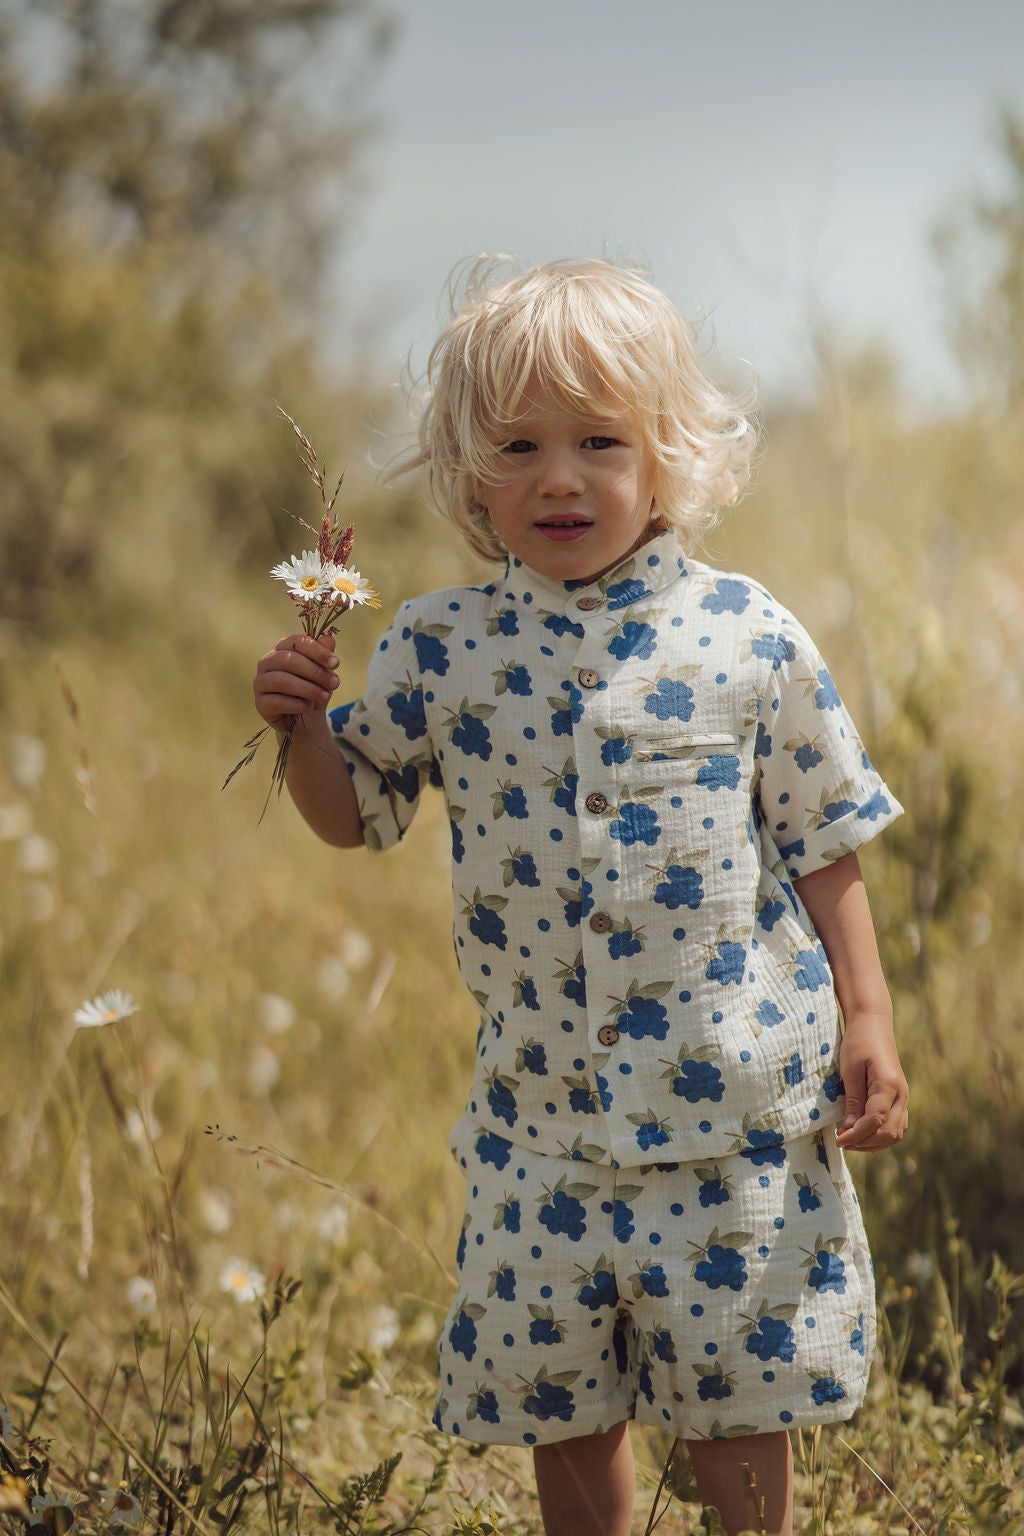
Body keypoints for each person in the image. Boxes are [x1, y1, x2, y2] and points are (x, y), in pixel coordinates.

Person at [252, 258, 909, 1536]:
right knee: (561, 1404)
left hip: (730, 1120)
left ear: (668, 461)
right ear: (466, 468)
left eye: (600, 442)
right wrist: (301, 736)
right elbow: (357, 817)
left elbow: (826, 837)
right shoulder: (440, 648)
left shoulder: (745, 636)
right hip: (541, 1129)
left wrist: (866, 1016)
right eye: (520, 444)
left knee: (739, 1400)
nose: (560, 477)